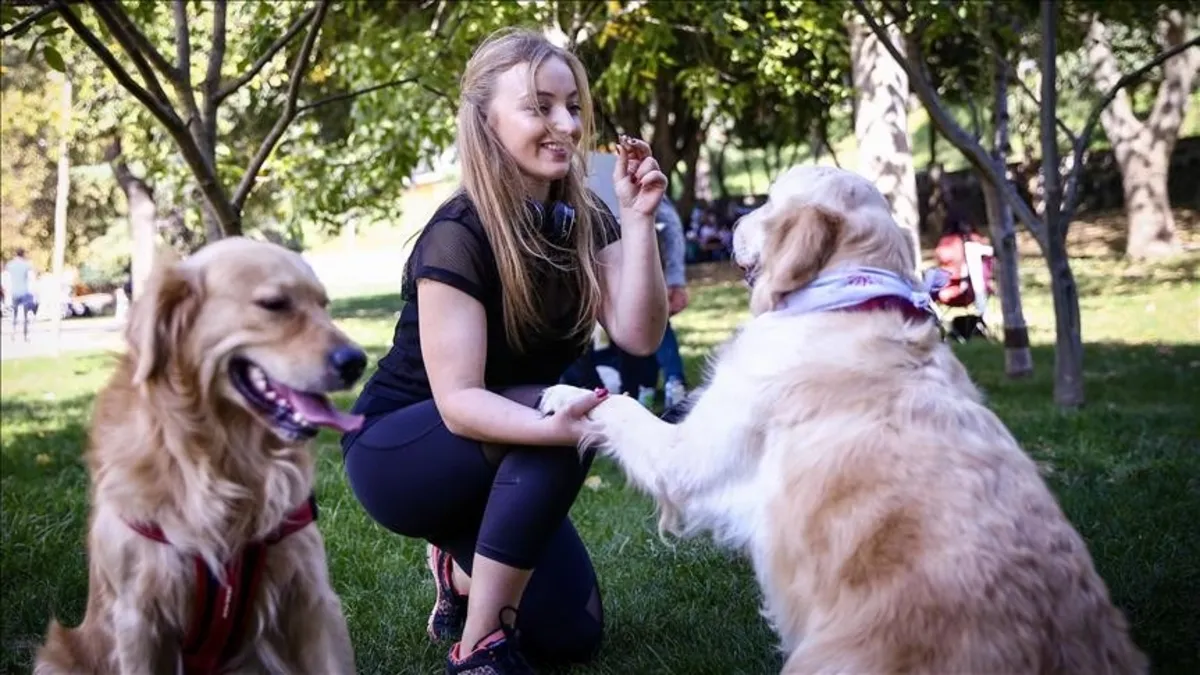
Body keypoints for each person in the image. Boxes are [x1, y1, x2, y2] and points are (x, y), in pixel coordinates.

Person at [338, 27, 669, 674]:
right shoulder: (457, 235)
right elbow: (460, 403)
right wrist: (561, 422)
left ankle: (460, 574)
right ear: (486, 121)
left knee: (573, 635)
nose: (566, 123)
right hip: (405, 450)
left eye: (571, 105)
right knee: (566, 418)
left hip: (504, 450)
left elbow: (640, 336)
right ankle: (481, 649)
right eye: (539, 107)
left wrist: (637, 220)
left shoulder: (585, 220)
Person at [4, 248, 37, 341]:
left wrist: (7, 291)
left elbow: (6, 279)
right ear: (23, 254)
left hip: (14, 292)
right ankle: (25, 335)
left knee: (14, 314)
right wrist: (33, 292)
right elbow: (31, 278)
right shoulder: (27, 265)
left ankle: (13, 333)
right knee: (26, 315)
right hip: (25, 292)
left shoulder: (10, 265)